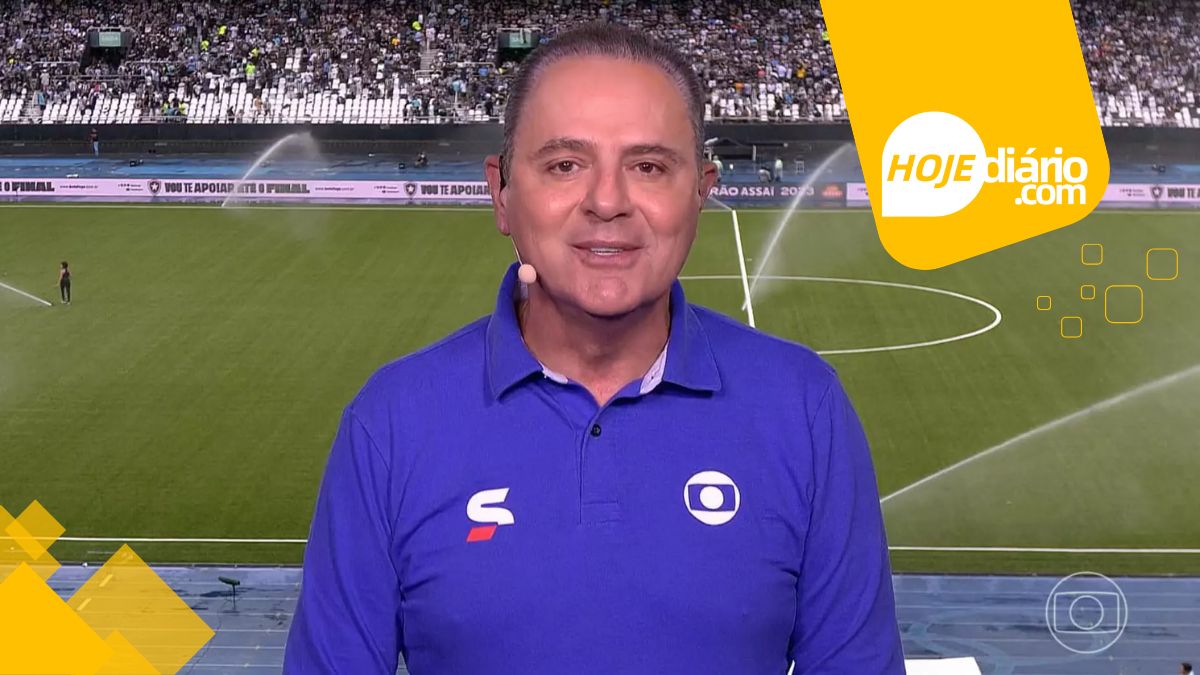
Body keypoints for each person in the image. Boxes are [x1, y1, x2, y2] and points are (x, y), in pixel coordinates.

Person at [284, 22, 903, 674]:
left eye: (648, 167)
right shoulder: (390, 423)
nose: (607, 201)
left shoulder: (805, 409)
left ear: (702, 190)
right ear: (501, 193)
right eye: (565, 165)